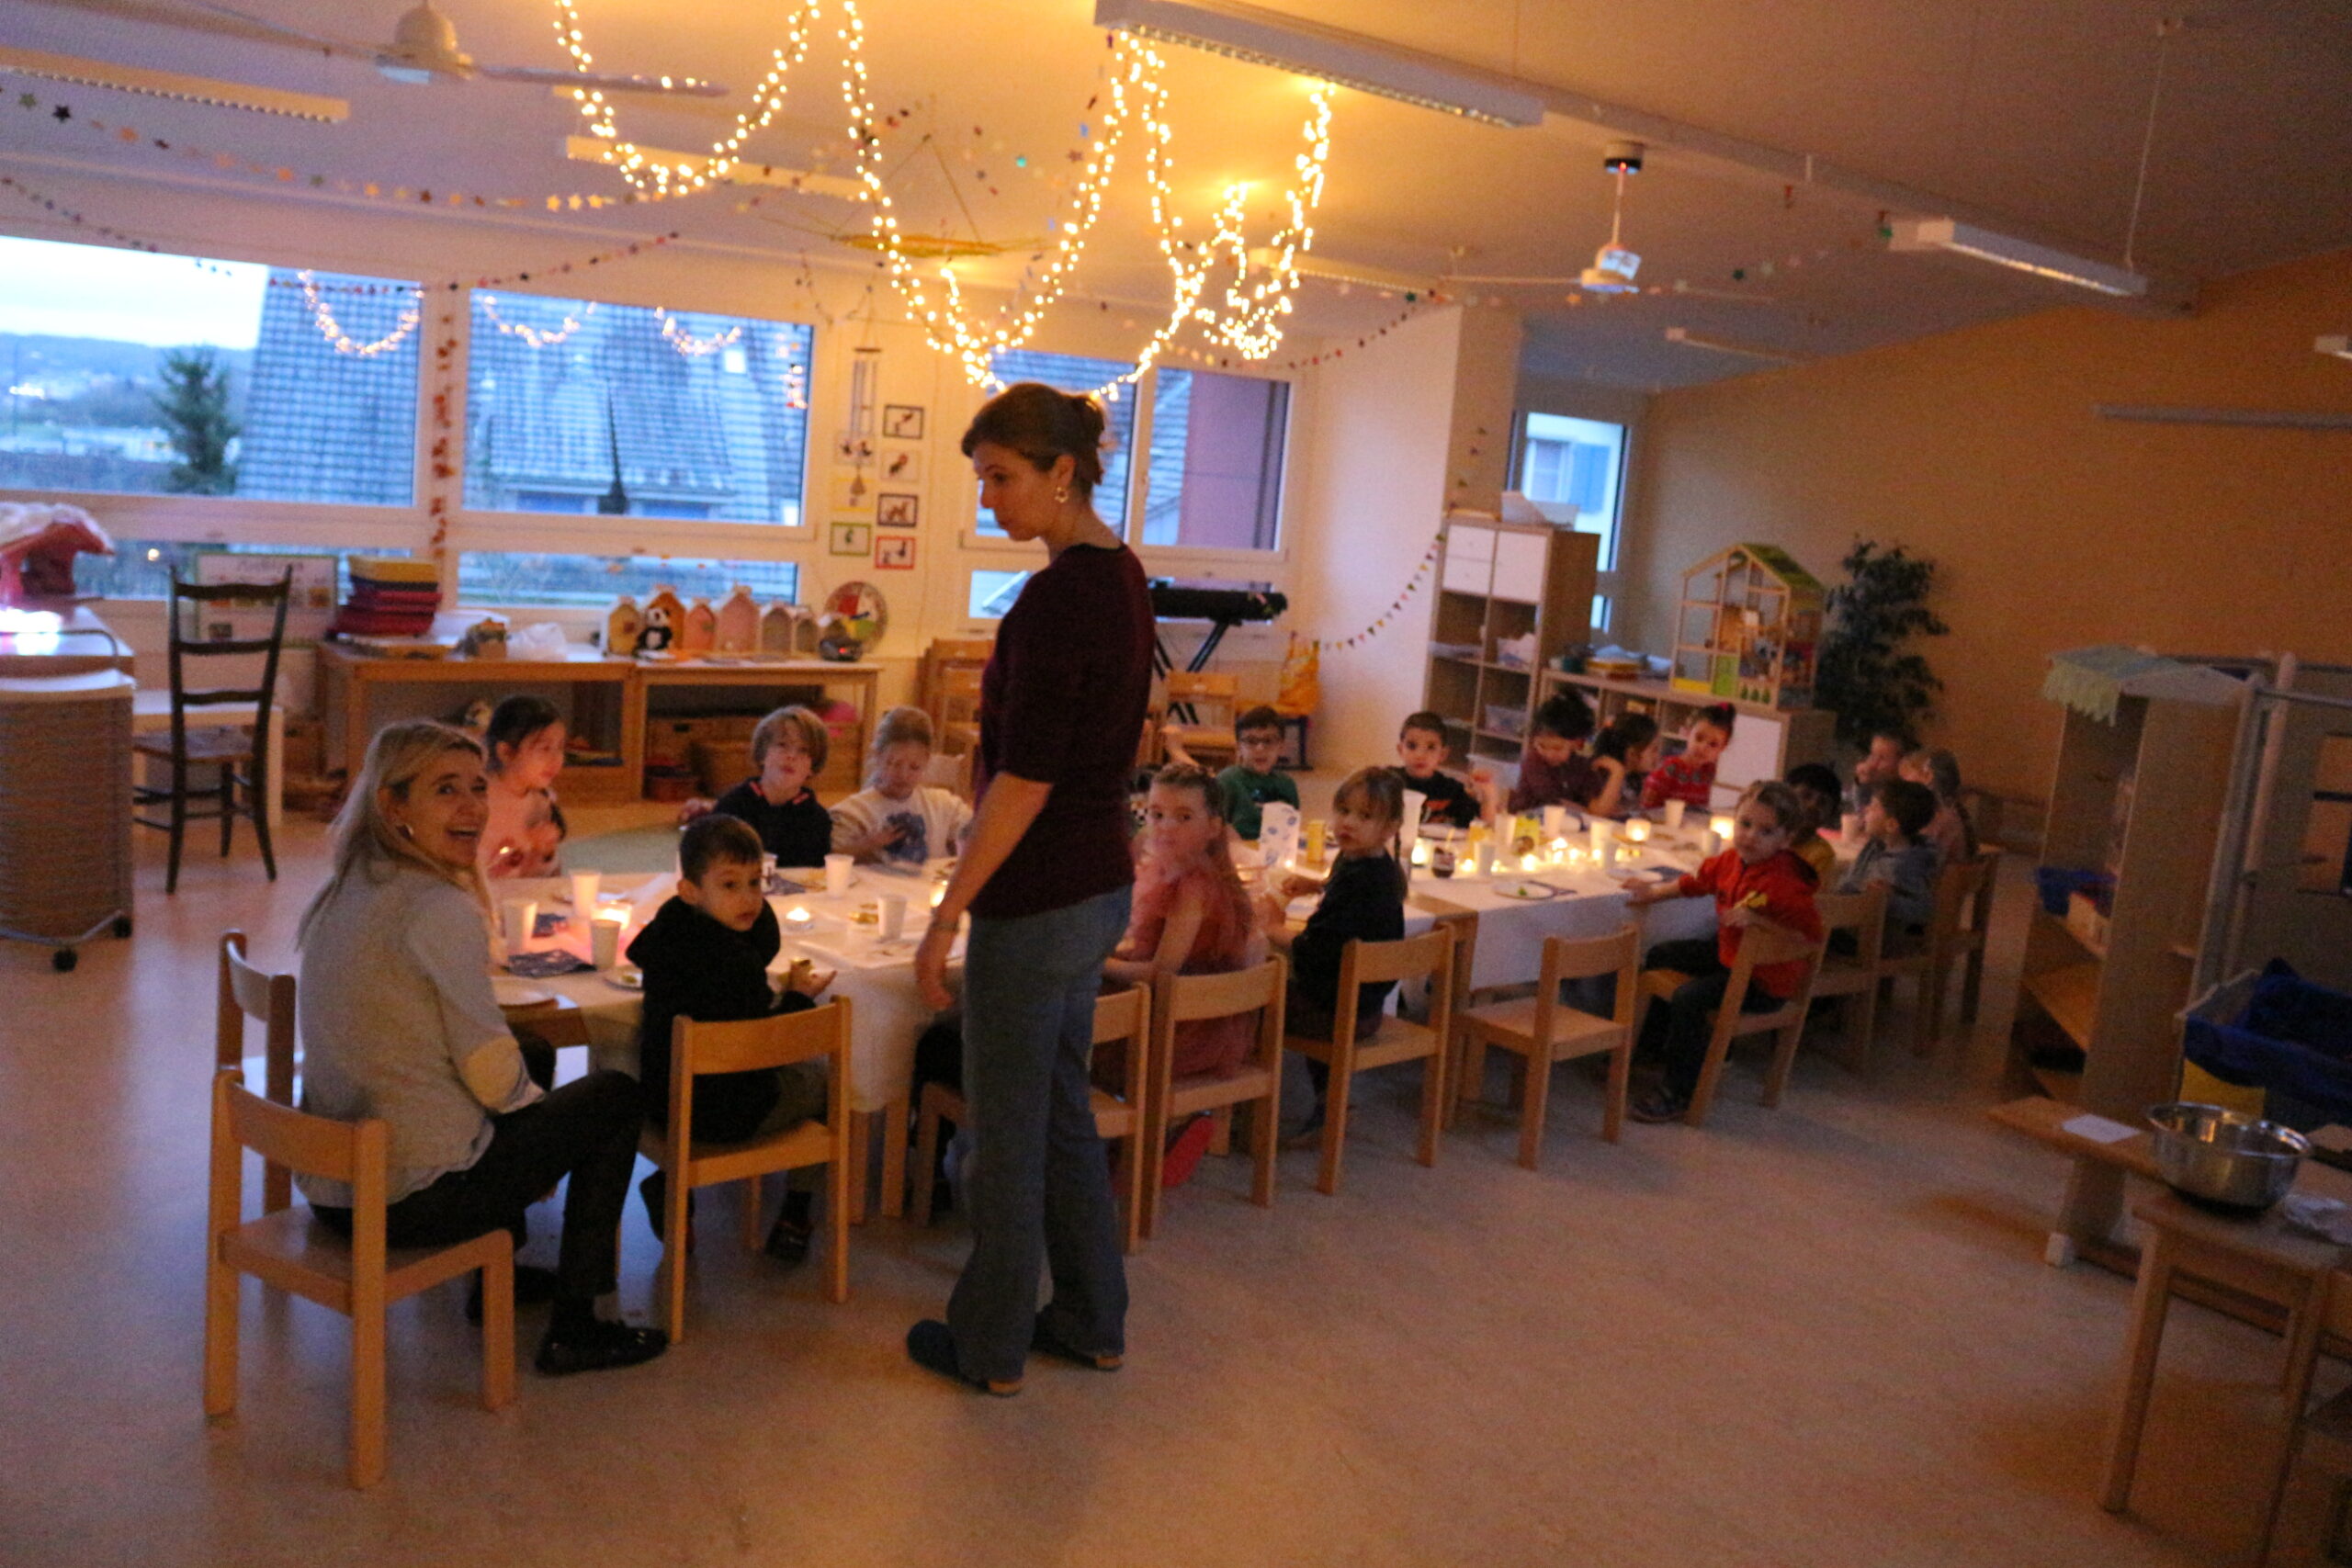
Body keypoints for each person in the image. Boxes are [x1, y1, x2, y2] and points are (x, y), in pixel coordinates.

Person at [907, 383, 1154, 1396]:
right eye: (982, 478)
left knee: (1005, 1134)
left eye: (1000, 477)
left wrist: (947, 913)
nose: (988, 498)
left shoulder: (1059, 600)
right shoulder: (1122, 574)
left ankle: (990, 1344)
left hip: (1041, 893)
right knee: (1056, 1112)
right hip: (1096, 885)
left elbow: (1027, 778)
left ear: (1062, 473)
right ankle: (1092, 1319)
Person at [295, 719, 664, 1375]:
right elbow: (490, 1072)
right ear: (393, 805)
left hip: (337, 1184)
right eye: (445, 790)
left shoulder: (348, 885)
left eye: (475, 787)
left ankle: (497, 1272)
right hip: (407, 1197)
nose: (471, 807)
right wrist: (538, 1130)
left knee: (532, 1051)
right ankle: (580, 1323)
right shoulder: (436, 908)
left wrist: (531, 1115)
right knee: (613, 1096)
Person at [628, 814, 837, 1263]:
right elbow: (769, 1046)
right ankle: (796, 1215)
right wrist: (799, 998)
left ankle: (669, 1182)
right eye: (730, 885)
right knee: (825, 1081)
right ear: (691, 891)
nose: (749, 899)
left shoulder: (670, 927)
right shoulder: (735, 965)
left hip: (664, 1104)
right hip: (731, 1114)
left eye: (755, 883)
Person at [1101, 764, 1266, 1185]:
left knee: (1075, 1021)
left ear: (1214, 827)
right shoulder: (1176, 870)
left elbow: (1162, 971)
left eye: (1183, 816)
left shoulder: (1194, 885)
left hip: (1186, 1029)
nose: (1165, 827)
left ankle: (1122, 1145)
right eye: (1156, 814)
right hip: (1186, 1011)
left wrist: (1098, 960)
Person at [1623, 780, 1823, 1125]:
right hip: (1729, 957)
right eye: (1745, 824)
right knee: (1661, 955)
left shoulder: (1785, 883)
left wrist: (1761, 923)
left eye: (1766, 831)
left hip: (1765, 982)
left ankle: (1679, 1091)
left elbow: (1810, 939)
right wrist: (1652, 894)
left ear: (1785, 840)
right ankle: (1655, 1050)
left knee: (1689, 998)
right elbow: (1697, 883)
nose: (1750, 836)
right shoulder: (1732, 860)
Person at [1255, 767, 1408, 1141]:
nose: (1348, 822)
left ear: (1390, 828)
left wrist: (1273, 928)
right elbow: (1345, 906)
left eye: (1365, 816)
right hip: (1365, 1005)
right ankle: (1327, 1101)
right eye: (1343, 810)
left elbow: (1316, 952)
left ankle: (1248, 1113)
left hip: (1340, 1014)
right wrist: (1318, 886)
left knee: (1252, 998)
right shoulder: (1373, 865)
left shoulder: (1362, 880)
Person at [830, 706, 974, 865]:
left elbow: (977, 832)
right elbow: (829, 861)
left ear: (926, 760)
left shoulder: (944, 806)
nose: (903, 775)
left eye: (914, 767)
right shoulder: (853, 813)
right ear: (878, 756)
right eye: (894, 764)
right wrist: (867, 844)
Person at [704, 705, 834, 866]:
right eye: (782, 745)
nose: (791, 756)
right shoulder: (732, 807)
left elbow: (817, 873)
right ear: (762, 754)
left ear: (813, 767)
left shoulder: (817, 818)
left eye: (803, 750)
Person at [1165, 704, 1298, 842]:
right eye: (1251, 741)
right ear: (1239, 746)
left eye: (1268, 741)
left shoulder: (1286, 784)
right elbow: (1213, 831)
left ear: (1281, 746)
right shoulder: (1228, 781)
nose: (1260, 748)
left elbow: (1291, 831)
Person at [1837, 778, 1942, 946]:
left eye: (1873, 806)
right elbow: (1851, 882)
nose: (1865, 809)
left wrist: (1889, 899)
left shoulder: (1909, 864)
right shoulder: (1874, 846)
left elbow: (1923, 910)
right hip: (1851, 921)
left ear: (1891, 825)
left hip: (1872, 940)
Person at [480, 695, 566, 880]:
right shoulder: (477, 801)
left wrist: (544, 853)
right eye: (544, 748)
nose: (556, 759)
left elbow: (541, 879)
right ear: (505, 752)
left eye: (560, 748)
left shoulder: (540, 802)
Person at [1504, 691, 1600, 815]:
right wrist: (1585, 811)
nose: (1549, 754)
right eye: (1542, 746)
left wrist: (1616, 771)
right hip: (1527, 819)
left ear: (1577, 743)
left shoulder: (1581, 765)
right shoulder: (1534, 761)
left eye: (1557, 748)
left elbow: (1596, 805)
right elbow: (1552, 802)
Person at [1393, 710, 1486, 830]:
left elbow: (1480, 825)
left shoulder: (1450, 789)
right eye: (1412, 746)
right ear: (1400, 750)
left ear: (1442, 755)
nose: (1420, 755)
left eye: (1431, 747)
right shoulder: (1388, 783)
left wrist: (1489, 796)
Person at [1641, 703, 1735, 815]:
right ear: (1688, 733)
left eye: (1713, 744)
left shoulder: (1708, 770)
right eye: (1699, 738)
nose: (1703, 747)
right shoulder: (1669, 769)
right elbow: (1646, 809)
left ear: (1723, 747)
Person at [1900, 747, 1978, 866]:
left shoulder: (1934, 819)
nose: (1898, 787)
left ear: (1928, 777)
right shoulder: (1947, 813)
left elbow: (1911, 864)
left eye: (1903, 779)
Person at [1586, 712, 1661, 820]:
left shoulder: (1634, 778)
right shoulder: (1600, 774)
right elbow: (1600, 816)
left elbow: (1632, 812)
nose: (1657, 755)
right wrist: (1617, 772)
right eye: (1654, 750)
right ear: (1631, 753)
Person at [1783, 761, 1845, 885]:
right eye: (1805, 796)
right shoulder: (1764, 835)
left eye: (1822, 802)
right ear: (1784, 797)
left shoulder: (1821, 855)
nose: (1812, 805)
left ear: (1831, 814)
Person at [1847, 728, 1911, 817]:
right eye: (1873, 755)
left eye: (1882, 758)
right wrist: (1861, 783)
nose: (1873, 764)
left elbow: (1866, 818)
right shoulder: (1876, 783)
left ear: (1902, 762)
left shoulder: (1905, 796)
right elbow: (1859, 812)